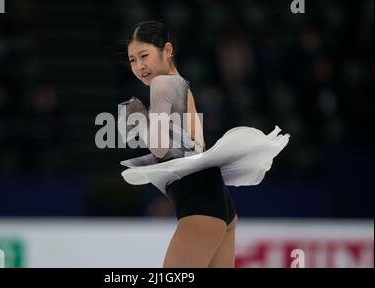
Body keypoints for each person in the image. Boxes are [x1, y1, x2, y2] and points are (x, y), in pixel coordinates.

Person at [120, 20, 289, 268]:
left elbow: (161, 149)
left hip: (200, 205)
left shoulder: (163, 84)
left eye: (144, 55)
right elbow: (190, 150)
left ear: (167, 50)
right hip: (217, 204)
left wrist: (136, 116)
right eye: (132, 60)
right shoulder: (180, 84)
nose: (139, 66)